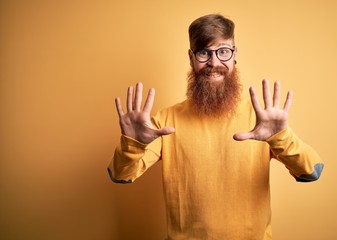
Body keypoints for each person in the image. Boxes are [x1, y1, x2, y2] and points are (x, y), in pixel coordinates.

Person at [107, 14, 324, 240]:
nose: (214, 63)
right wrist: (133, 144)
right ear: (191, 58)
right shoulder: (166, 120)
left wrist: (281, 137)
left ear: (234, 55)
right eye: (203, 52)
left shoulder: (261, 119)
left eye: (223, 51)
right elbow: (121, 175)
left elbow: (311, 171)